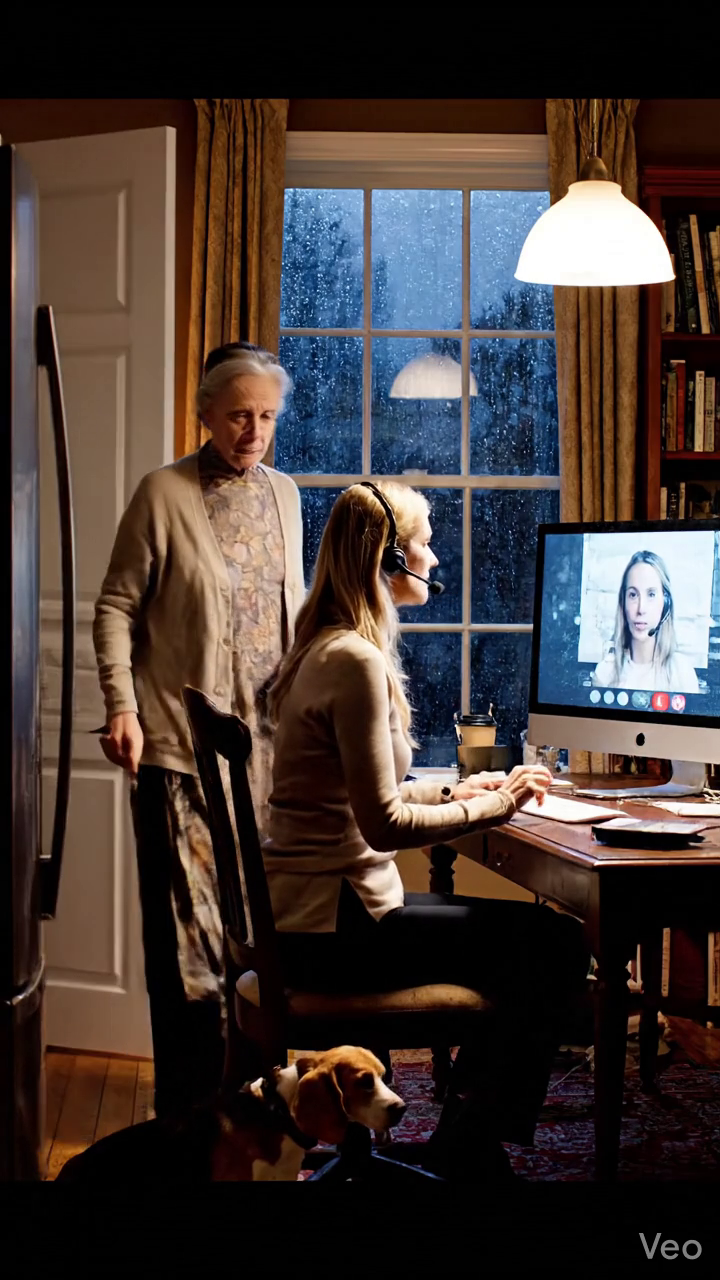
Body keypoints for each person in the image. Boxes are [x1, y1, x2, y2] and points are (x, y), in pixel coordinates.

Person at [264, 480, 590, 1179]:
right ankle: (469, 1142)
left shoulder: (324, 648)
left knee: (529, 947)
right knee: (556, 943)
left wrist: (458, 790)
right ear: (389, 558)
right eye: (425, 544)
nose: (435, 559)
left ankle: (467, 1131)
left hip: (314, 920)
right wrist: (498, 806)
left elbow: (361, 792)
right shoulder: (354, 660)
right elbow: (383, 824)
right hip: (336, 933)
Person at [93, 342, 305, 1119]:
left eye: (267, 417)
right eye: (240, 415)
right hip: (179, 755)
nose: (254, 431)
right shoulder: (163, 493)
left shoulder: (286, 495)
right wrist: (121, 705)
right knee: (190, 953)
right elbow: (117, 605)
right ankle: (187, 1123)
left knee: (256, 946)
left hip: (266, 765)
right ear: (206, 413)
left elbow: (288, 614)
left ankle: (252, 1114)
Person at [591, 549, 699, 693]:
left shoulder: (682, 673)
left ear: (666, 604)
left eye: (651, 594)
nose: (641, 609)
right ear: (623, 602)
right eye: (633, 595)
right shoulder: (605, 674)